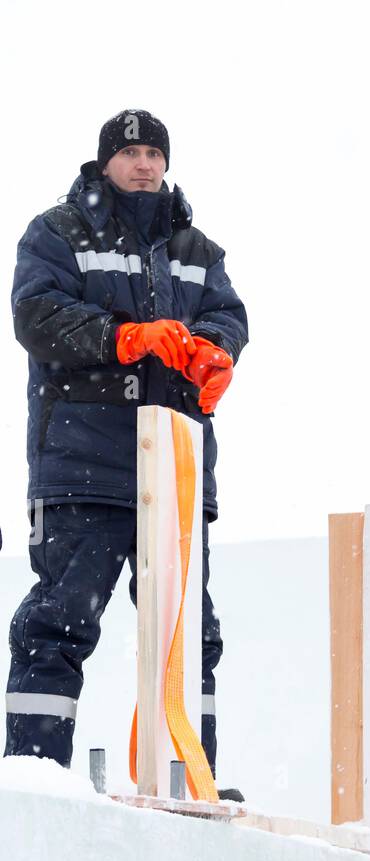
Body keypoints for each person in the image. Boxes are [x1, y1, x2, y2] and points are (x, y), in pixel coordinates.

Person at [6, 108, 248, 795]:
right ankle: (33, 779)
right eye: (131, 152)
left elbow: (229, 316)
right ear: (105, 161)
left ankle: (188, 779)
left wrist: (216, 350)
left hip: (173, 469)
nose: (144, 164)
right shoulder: (59, 233)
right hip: (85, 471)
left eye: (154, 153)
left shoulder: (197, 250)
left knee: (187, 637)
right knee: (58, 623)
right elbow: (36, 314)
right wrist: (125, 337)